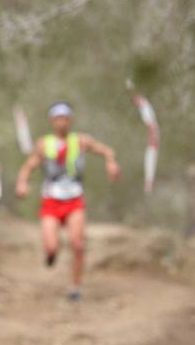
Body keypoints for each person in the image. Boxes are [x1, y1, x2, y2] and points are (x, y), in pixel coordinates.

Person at [14, 102, 120, 301]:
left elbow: (106, 151)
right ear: (52, 121)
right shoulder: (44, 144)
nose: (62, 122)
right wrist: (22, 183)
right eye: (57, 118)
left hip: (74, 200)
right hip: (51, 201)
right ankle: (51, 254)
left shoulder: (80, 141)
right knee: (52, 247)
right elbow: (28, 166)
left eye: (65, 118)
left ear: (70, 120)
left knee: (78, 244)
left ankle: (75, 287)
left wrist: (111, 163)